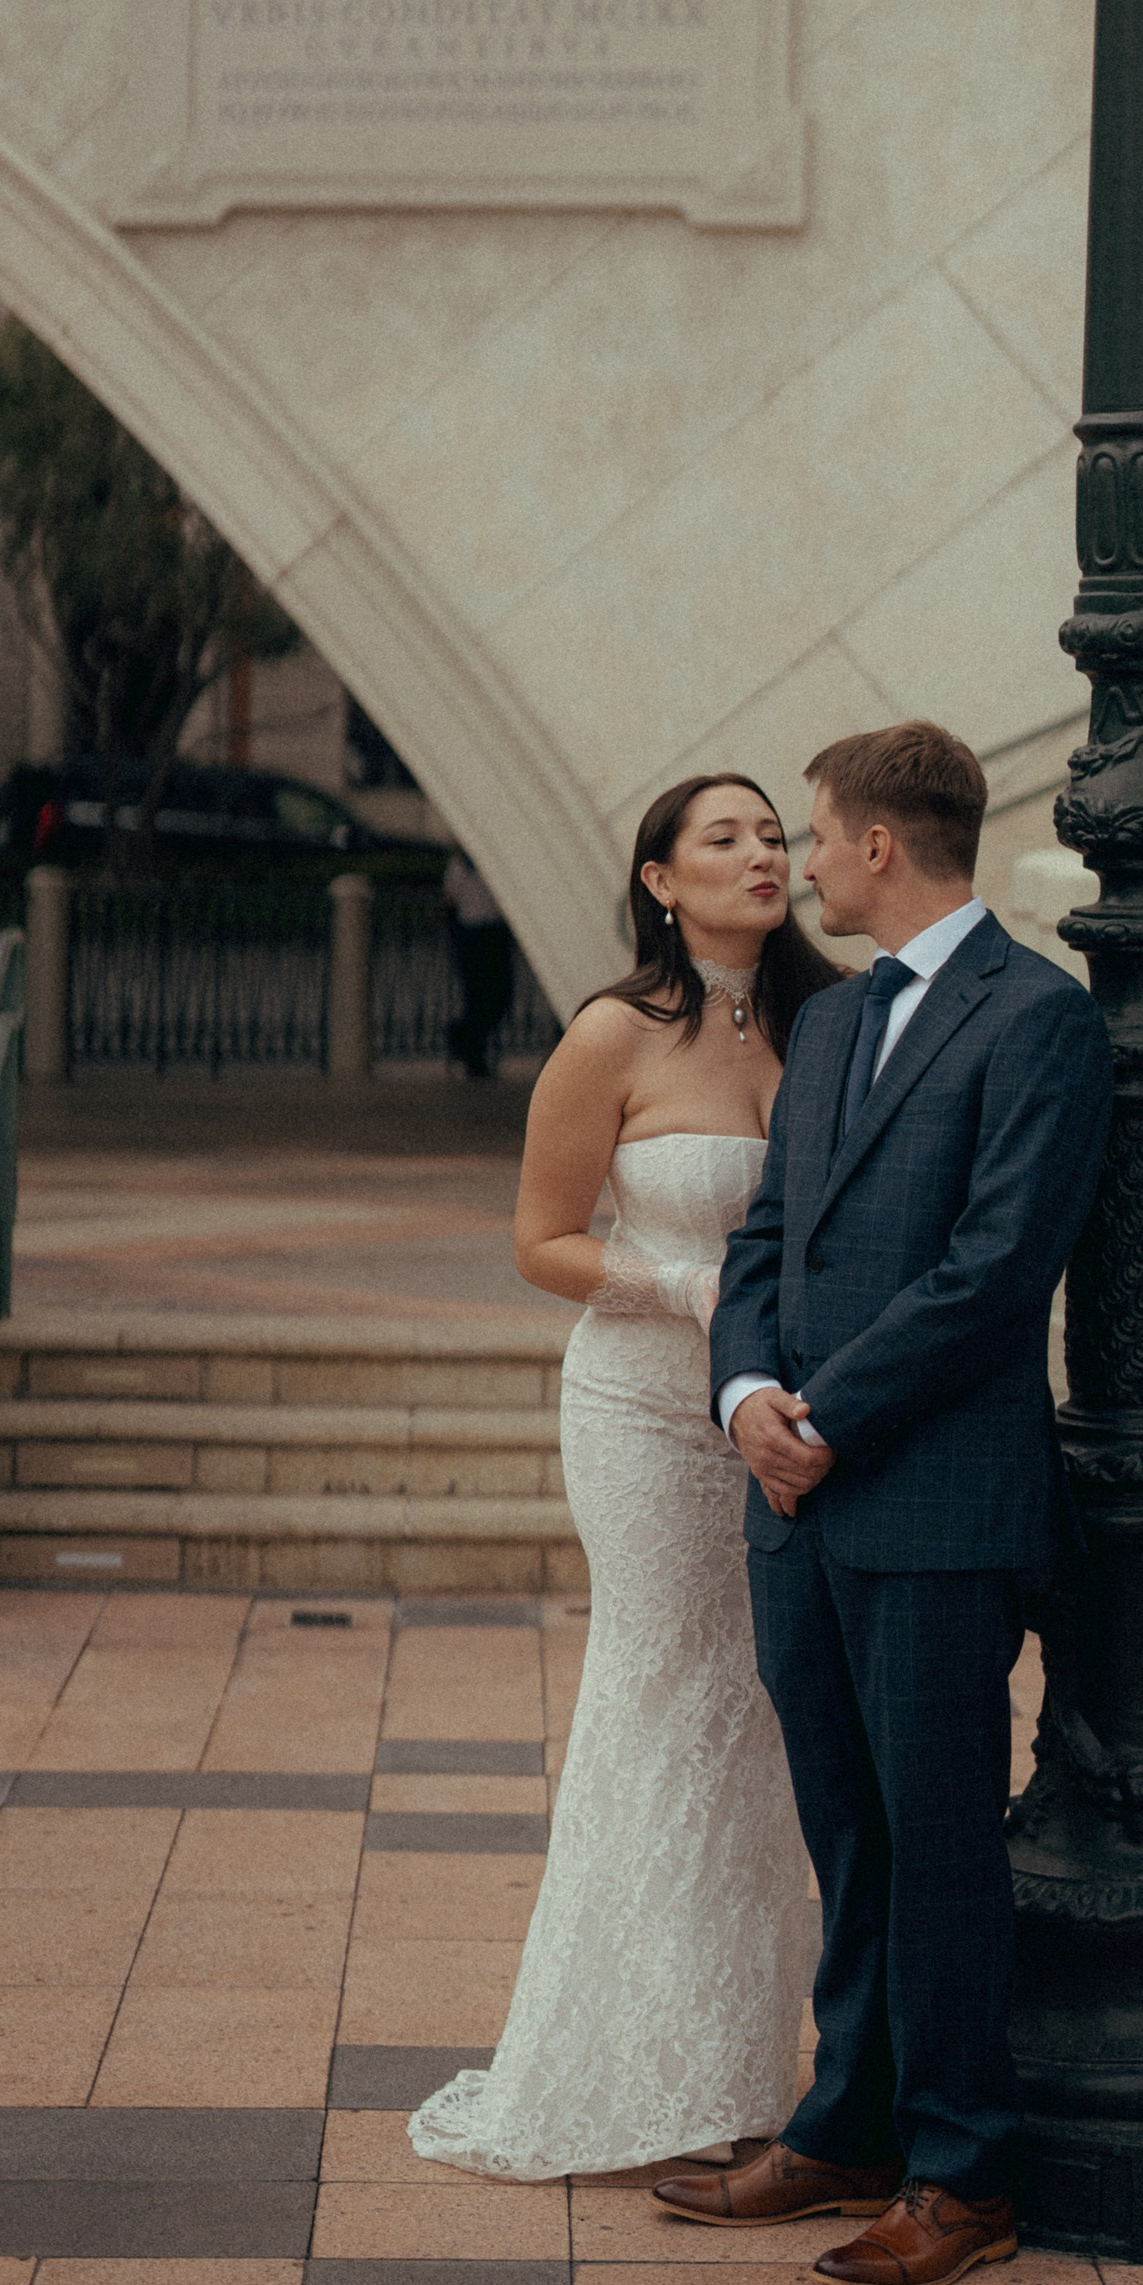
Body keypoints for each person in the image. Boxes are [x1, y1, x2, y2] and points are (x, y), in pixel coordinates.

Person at [655, 721, 1113, 2285]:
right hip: (800, 1503)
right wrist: (745, 1402)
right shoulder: (837, 1023)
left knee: (938, 1847)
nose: (798, 864)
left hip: (934, 1508)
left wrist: (826, 1418)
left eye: (817, 835)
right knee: (845, 1835)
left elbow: (995, 1275)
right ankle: (842, 2121)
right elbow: (769, 1237)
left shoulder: (1041, 1019)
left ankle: (962, 2169)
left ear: (876, 848)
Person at [409, 775, 845, 2179]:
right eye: (725, 837)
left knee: (775, 1717)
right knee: (670, 1695)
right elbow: (542, 1242)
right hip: (646, 1413)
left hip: (798, 1418)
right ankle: (626, 2064)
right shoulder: (611, 1032)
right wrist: (688, 1283)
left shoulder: (831, 1019)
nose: (762, 854)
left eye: (776, 834)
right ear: (661, 879)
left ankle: (741, 2060)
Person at [444, 852, 515, 1079]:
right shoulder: (460, 865)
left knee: (499, 994)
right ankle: (472, 1052)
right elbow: (451, 898)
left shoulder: (488, 861)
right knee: (478, 996)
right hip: (474, 934)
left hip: (492, 932)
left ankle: (463, 1037)